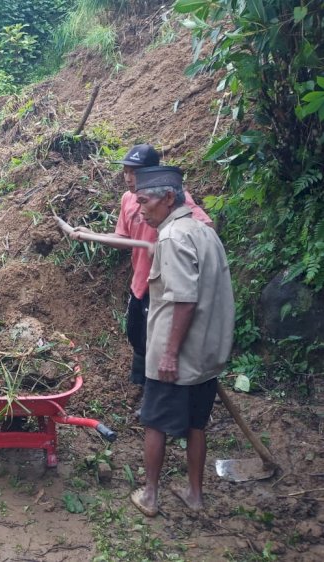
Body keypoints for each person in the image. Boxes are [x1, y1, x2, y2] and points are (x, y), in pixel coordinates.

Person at [68, 144, 212, 403]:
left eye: (134, 172)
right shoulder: (127, 200)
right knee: (136, 334)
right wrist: (91, 235)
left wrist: (168, 245)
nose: (128, 177)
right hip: (139, 285)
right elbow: (122, 237)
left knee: (157, 341)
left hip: (164, 288)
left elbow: (204, 226)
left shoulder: (171, 199)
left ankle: (157, 396)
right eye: (125, 171)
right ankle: (142, 387)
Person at [128, 165, 234, 517]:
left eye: (145, 201)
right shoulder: (204, 232)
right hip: (205, 355)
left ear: (169, 198)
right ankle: (194, 494)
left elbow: (184, 300)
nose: (140, 209)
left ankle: (150, 495)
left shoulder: (172, 237)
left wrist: (170, 354)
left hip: (176, 357)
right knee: (195, 425)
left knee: (155, 422)